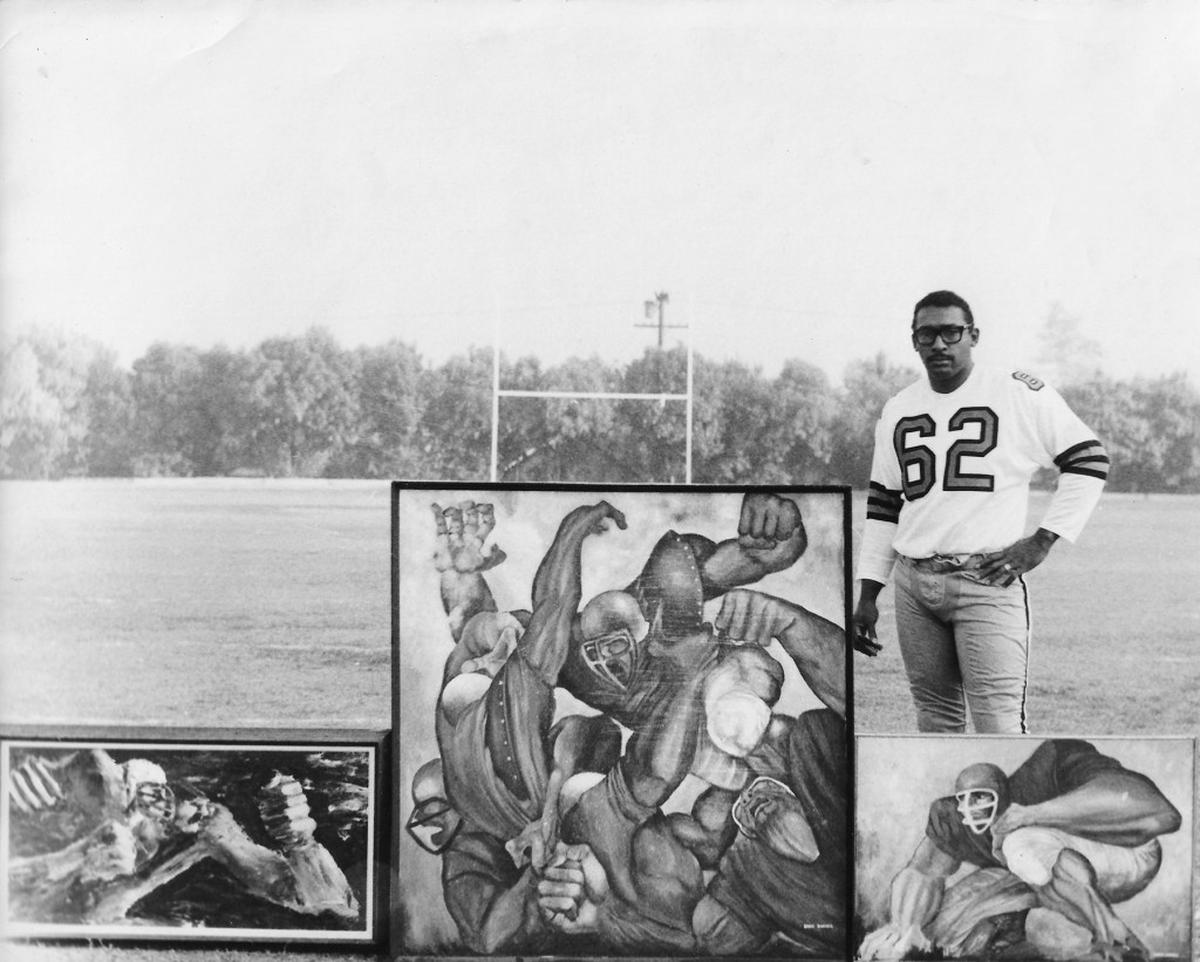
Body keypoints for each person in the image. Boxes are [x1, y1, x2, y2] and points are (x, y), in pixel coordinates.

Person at [853, 290, 1109, 732]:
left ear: (973, 335)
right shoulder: (898, 408)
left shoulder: (1015, 391)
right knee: (935, 722)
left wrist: (1041, 541)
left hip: (986, 580)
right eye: (927, 334)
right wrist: (867, 594)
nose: (939, 344)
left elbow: (1089, 460)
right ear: (913, 340)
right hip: (915, 584)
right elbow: (884, 504)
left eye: (951, 332)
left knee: (999, 726)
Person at [858, 739, 1181, 961]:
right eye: (965, 799)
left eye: (981, 797)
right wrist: (905, 926)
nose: (971, 808)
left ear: (1001, 793)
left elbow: (1160, 814)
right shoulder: (954, 817)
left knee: (1022, 843)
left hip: (1124, 855)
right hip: (1036, 870)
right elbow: (924, 870)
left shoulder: (1053, 762)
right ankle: (1007, 935)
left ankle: (1115, 940)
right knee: (941, 935)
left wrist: (1033, 814)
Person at [7, 750, 359, 925]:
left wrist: (300, 843)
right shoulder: (44, 810)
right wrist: (80, 858)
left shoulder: (194, 823)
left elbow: (321, 899)